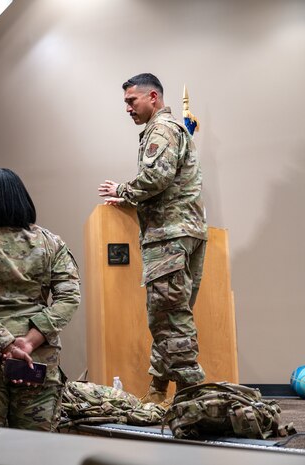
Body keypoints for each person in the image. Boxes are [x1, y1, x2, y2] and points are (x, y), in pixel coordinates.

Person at [98, 73, 208, 404]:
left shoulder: (161, 130)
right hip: (182, 232)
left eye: (132, 101)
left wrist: (122, 190)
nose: (128, 108)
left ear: (153, 98)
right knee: (168, 315)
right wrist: (131, 199)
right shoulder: (170, 129)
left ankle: (195, 398)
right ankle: (159, 392)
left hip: (168, 237)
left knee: (170, 319)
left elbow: (156, 178)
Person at [0, 168, 81, 431]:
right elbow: (69, 297)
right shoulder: (51, 242)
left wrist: (6, 346)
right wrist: (28, 343)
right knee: (37, 449)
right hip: (38, 357)